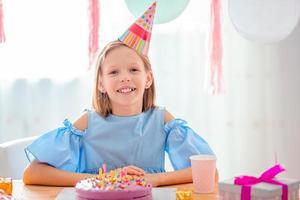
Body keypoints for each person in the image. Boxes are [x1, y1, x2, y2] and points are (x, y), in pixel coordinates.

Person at [23, 2, 215, 187]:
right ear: (101, 83)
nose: (124, 78)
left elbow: (209, 172)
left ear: (148, 79)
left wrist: (155, 179)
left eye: (133, 70)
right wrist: (103, 179)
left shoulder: (161, 120)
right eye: (114, 72)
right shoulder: (87, 122)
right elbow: (32, 174)